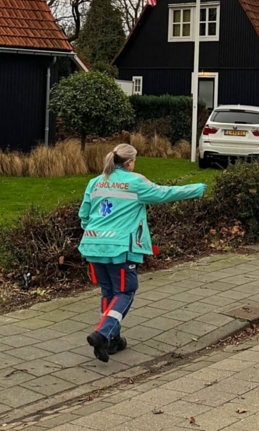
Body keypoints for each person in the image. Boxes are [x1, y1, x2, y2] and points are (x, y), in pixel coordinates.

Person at [79, 143, 206, 363]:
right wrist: (198, 189)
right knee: (126, 292)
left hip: (93, 245)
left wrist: (98, 234)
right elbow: (165, 193)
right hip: (121, 248)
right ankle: (102, 334)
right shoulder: (135, 182)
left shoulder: (95, 182)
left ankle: (112, 340)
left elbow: (84, 215)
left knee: (108, 292)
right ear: (129, 162)